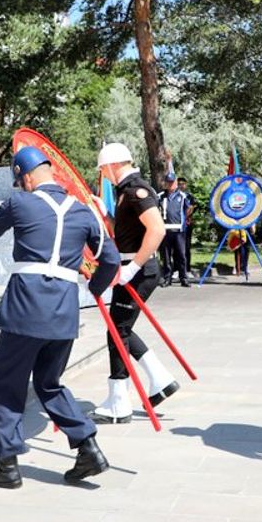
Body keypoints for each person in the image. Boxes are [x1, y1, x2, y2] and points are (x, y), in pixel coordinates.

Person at [0, 146, 121, 488]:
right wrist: (96, 289)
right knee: (49, 383)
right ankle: (88, 447)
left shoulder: (20, 202)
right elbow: (110, 260)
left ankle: (6, 465)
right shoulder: (83, 212)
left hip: (26, 308)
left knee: (7, 382)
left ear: (25, 177)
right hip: (64, 311)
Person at [90, 143, 179, 423]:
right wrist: (105, 215)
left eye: (103, 169)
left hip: (138, 268)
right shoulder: (125, 192)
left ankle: (120, 401)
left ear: (114, 165)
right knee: (121, 327)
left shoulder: (135, 190)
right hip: (131, 265)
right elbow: (124, 232)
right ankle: (160, 379)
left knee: (117, 331)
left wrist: (134, 267)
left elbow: (157, 229)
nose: (103, 174)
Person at [158, 173, 195, 287]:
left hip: (179, 231)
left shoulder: (183, 196)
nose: (170, 184)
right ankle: (167, 278)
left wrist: (184, 219)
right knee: (166, 256)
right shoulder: (160, 196)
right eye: (168, 182)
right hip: (165, 230)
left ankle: (183, 278)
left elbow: (189, 208)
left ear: (175, 183)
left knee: (181, 255)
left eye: (172, 182)